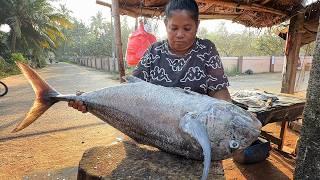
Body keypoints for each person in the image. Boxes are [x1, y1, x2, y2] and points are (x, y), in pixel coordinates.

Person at [68, 0, 231, 112]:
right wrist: (89, 101)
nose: (180, 34)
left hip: (194, 125)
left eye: (187, 28)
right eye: (174, 28)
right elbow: (132, 90)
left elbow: (218, 90)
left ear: (197, 26)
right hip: (156, 124)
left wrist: (229, 116)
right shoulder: (155, 51)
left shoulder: (206, 49)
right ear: (166, 25)